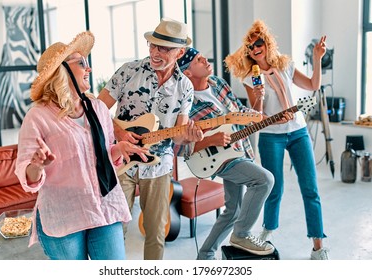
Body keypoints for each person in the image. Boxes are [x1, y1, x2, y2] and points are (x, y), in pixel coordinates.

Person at [14, 31, 149, 260]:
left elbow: (101, 154)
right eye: (81, 63)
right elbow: (26, 172)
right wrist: (37, 165)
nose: (89, 69)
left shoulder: (97, 108)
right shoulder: (37, 117)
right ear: (61, 71)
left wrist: (118, 149)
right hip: (64, 213)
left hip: (103, 206)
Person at [98, 18, 204, 260]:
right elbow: (98, 110)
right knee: (114, 229)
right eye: (153, 45)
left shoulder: (185, 87)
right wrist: (119, 132)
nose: (156, 52)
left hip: (159, 166)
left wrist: (189, 137)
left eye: (164, 48)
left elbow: (178, 134)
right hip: (120, 160)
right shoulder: (128, 71)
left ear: (181, 52)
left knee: (156, 233)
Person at [225, 19, 329, 260]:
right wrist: (259, 97)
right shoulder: (251, 78)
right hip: (271, 136)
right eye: (250, 47)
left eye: (258, 43)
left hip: (298, 132)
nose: (255, 49)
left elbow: (313, 85)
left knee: (310, 189)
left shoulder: (286, 65)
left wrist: (317, 59)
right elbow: (257, 115)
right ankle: (268, 232)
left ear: (267, 43)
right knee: (274, 188)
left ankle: (318, 246)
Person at [176, 47, 276, 259]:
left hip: (239, 150)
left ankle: (204, 256)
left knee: (232, 211)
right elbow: (180, 146)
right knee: (264, 180)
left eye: (203, 56)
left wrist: (259, 103)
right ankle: (242, 234)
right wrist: (210, 139)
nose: (206, 60)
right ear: (187, 72)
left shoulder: (219, 84)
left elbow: (242, 112)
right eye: (199, 60)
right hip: (218, 160)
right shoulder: (185, 102)